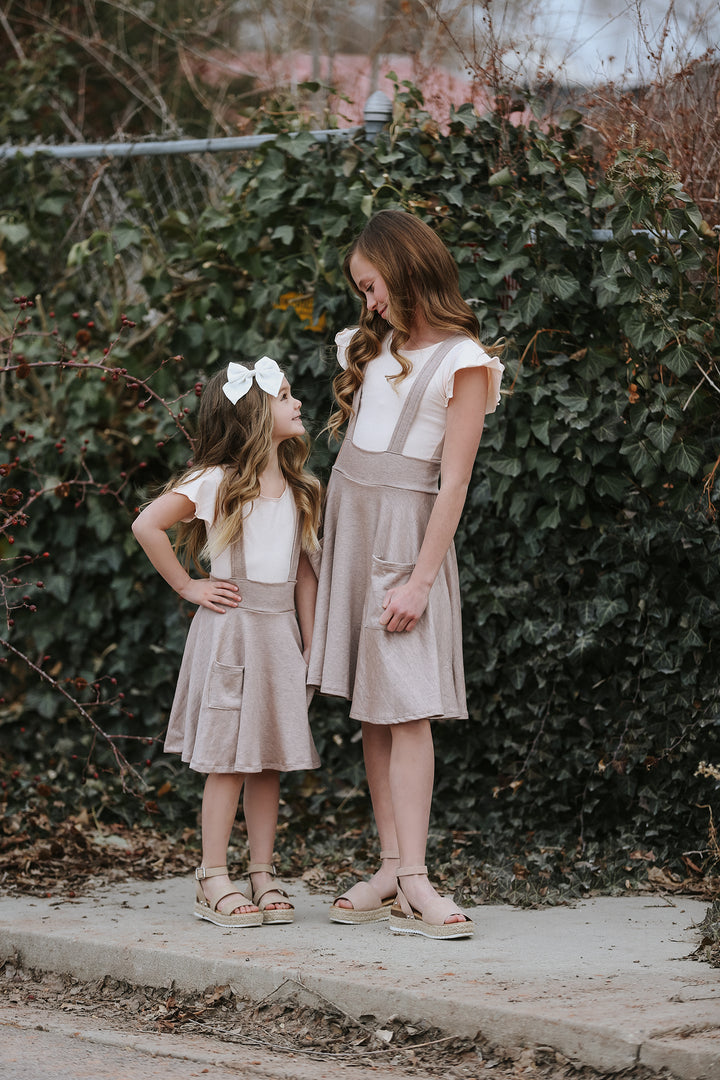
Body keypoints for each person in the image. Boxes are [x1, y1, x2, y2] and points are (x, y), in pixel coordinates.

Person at [308, 210, 504, 940]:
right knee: (373, 707)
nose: (368, 301)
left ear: (403, 266)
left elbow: (452, 484)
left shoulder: (465, 361)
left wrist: (421, 580)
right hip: (354, 535)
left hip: (405, 543)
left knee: (410, 706)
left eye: (372, 284)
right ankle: (391, 866)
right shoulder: (373, 348)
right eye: (361, 291)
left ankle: (417, 878)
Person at [132, 358, 322, 928]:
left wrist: (310, 648)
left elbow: (305, 575)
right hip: (232, 634)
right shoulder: (216, 481)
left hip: (278, 636)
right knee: (228, 761)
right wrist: (189, 584)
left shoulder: (298, 489)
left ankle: (262, 874)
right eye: (283, 396)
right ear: (255, 415)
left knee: (268, 760)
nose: (296, 403)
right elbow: (147, 524)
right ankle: (212, 875)